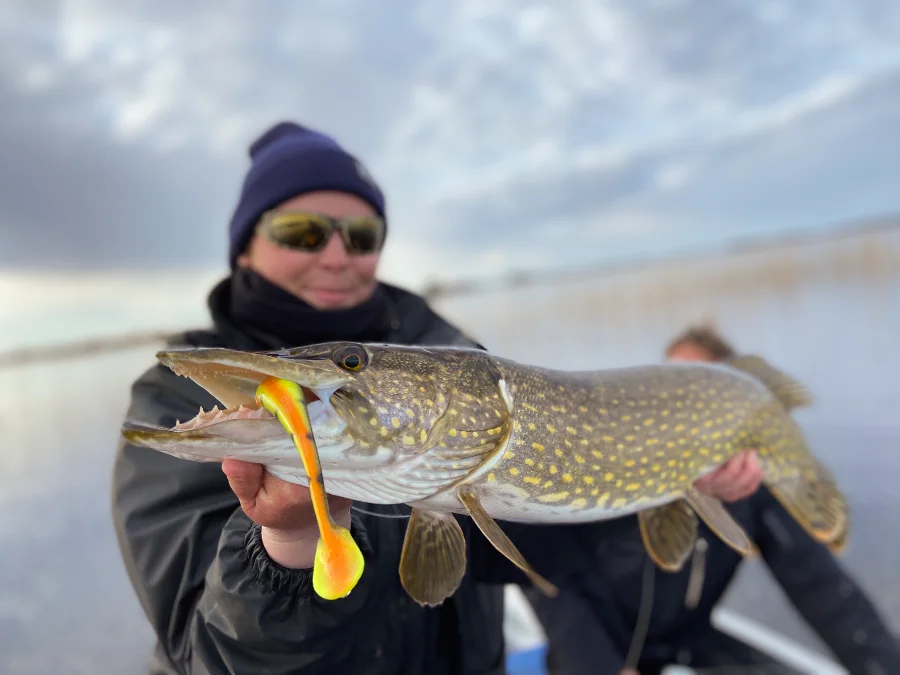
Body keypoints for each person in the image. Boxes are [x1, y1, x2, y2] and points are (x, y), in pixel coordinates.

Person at [111, 122, 763, 675]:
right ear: (246, 247)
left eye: (361, 235)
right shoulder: (172, 393)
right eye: (303, 231)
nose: (337, 254)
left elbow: (539, 545)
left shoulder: (450, 351)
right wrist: (287, 545)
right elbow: (206, 657)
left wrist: (662, 477)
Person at [524, 324, 900, 675]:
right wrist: (598, 665)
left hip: (688, 640)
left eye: (695, 390)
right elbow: (546, 576)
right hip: (600, 642)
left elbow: (823, 588)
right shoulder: (609, 467)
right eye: (665, 384)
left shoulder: (752, 488)